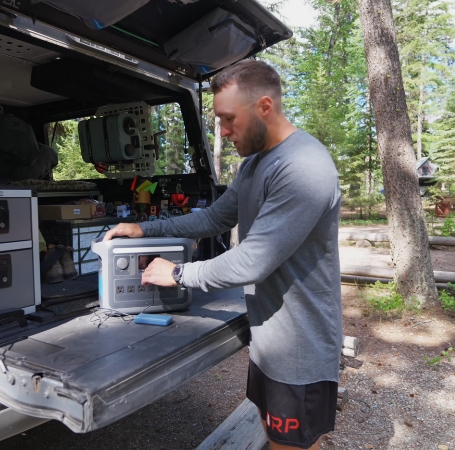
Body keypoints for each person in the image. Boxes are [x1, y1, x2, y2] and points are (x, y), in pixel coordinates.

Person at [103, 60, 342, 450]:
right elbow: (213, 218)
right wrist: (145, 228)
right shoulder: (254, 165)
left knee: (293, 445)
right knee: (272, 436)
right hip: (270, 337)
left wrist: (179, 273)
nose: (224, 131)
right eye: (219, 121)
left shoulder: (305, 166)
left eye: (229, 119)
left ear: (265, 106)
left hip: (300, 345)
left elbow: (254, 259)